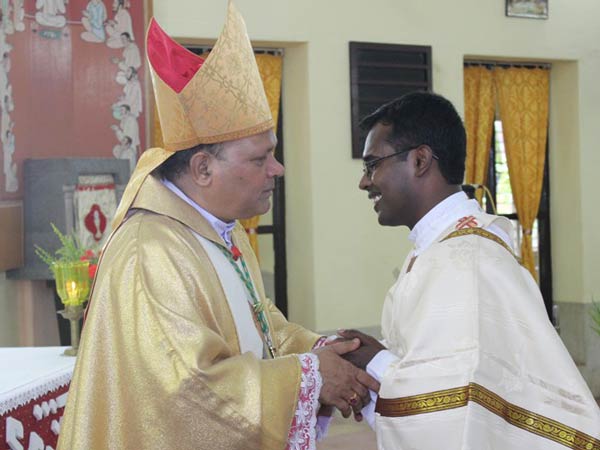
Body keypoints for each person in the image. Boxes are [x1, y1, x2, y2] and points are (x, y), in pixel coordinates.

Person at [57, 4, 378, 449]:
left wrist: (319, 349)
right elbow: (189, 393)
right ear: (203, 168)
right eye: (260, 158)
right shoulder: (150, 251)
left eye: (273, 153)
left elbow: (261, 325)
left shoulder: (221, 230)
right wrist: (308, 376)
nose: (278, 169)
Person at [339, 92, 600, 449]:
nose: (364, 182)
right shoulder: (443, 249)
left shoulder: (463, 261)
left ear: (419, 160)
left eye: (372, 165)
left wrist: (376, 362)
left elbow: (458, 405)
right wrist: (374, 360)